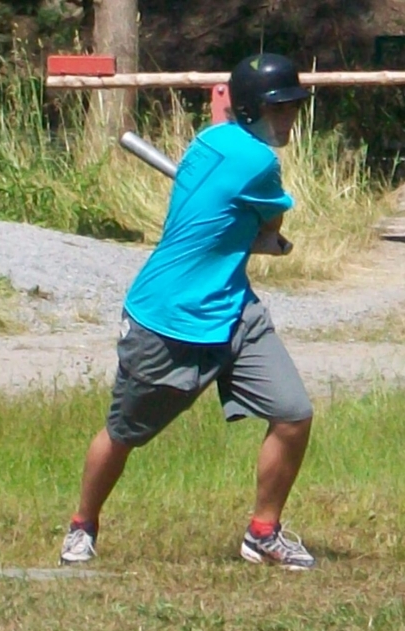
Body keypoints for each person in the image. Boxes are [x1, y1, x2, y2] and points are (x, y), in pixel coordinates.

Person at [59, 52, 315, 570]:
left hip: (233, 308)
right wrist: (264, 238)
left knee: (293, 413)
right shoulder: (261, 164)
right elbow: (269, 231)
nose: (289, 117)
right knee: (123, 434)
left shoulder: (209, 140)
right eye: (279, 108)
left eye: (293, 106)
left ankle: (263, 534)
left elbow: (235, 221)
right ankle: (82, 525)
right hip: (169, 317)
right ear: (251, 110)